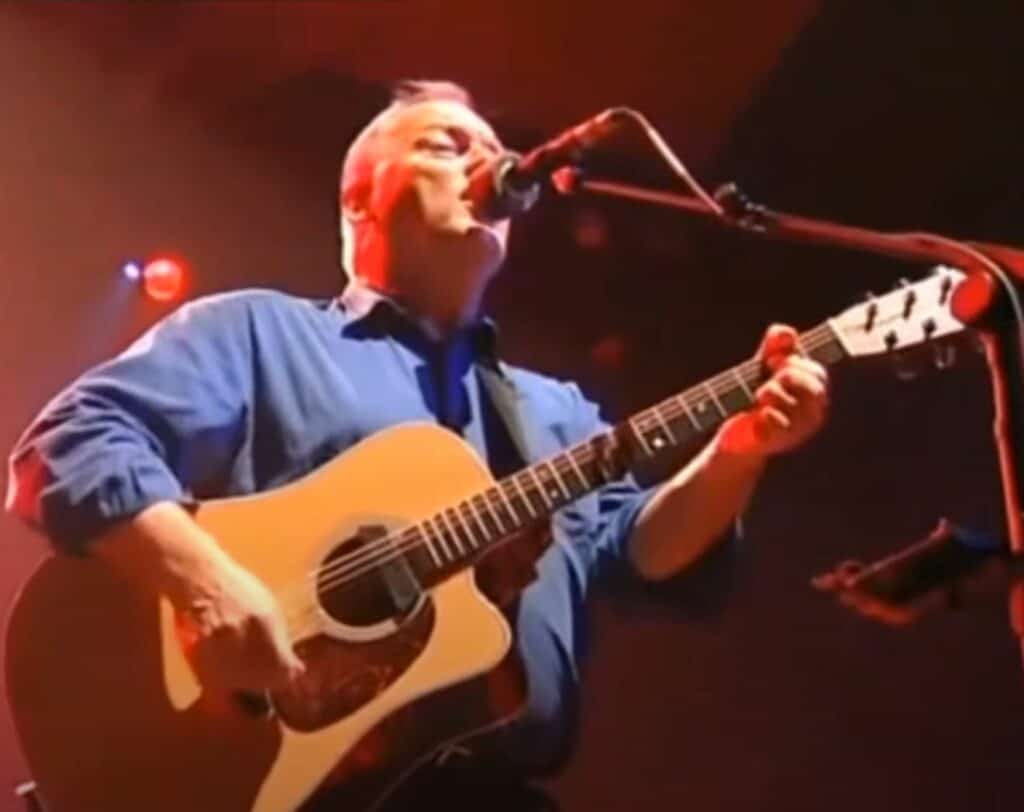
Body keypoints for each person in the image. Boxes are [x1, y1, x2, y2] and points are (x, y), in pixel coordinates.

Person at [5, 80, 829, 810]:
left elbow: (642, 553)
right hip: (279, 782)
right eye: (447, 145)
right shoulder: (260, 333)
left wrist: (740, 449)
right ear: (360, 199)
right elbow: (71, 442)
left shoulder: (555, 415)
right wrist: (204, 581)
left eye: (498, 152)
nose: (489, 163)